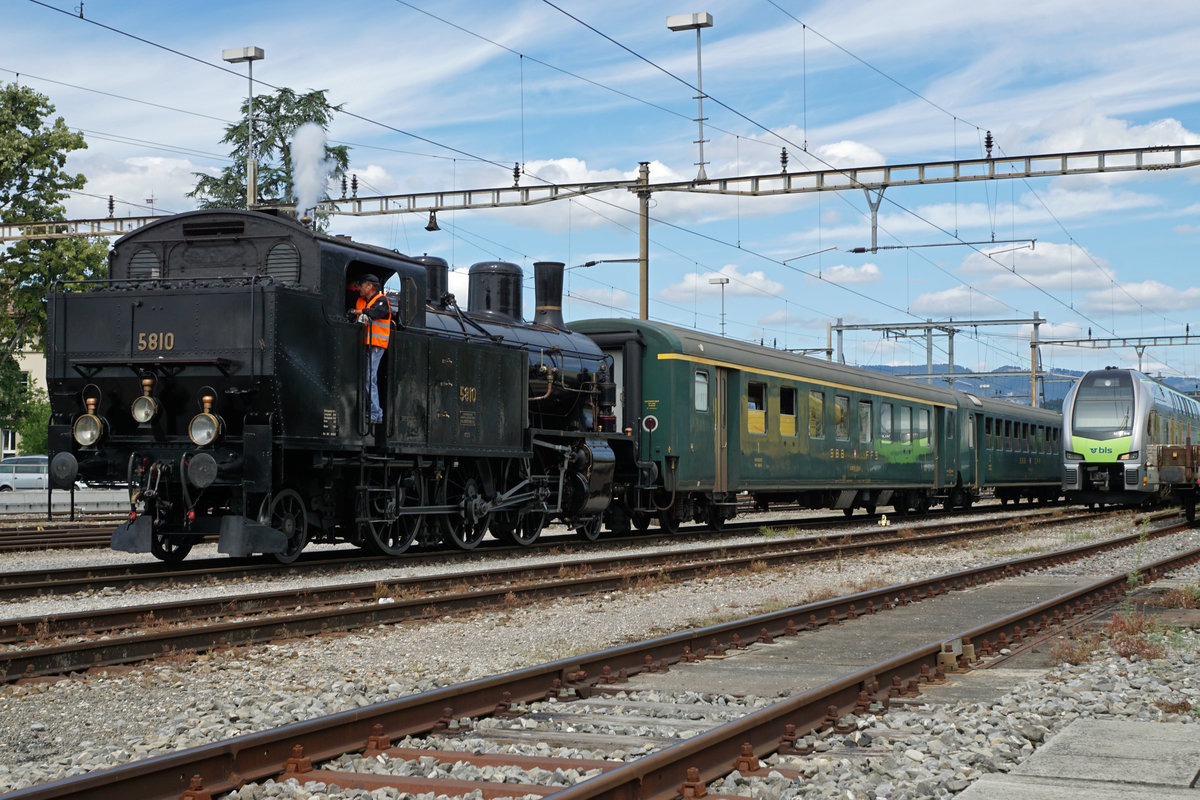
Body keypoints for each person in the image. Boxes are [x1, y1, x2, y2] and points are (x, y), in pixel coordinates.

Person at [348, 273, 390, 424]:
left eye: (362, 285)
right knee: (365, 378)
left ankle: (375, 413)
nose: (359, 288)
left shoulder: (381, 300)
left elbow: (378, 312)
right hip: (364, 343)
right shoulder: (360, 300)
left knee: (369, 378)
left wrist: (357, 312)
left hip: (377, 344)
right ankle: (372, 411)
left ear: (370, 286)